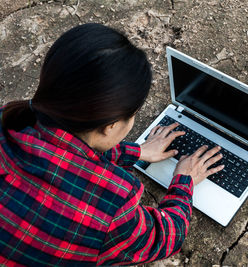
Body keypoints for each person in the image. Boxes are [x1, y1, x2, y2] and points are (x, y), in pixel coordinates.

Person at [0, 23, 224, 266]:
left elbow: (65, 155)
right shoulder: (111, 204)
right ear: (110, 126)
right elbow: (163, 237)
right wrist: (185, 179)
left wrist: (136, 152)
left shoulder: (10, 120)